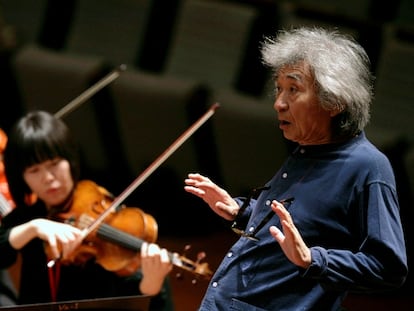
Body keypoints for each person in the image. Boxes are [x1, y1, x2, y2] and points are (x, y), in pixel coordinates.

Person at [184, 27, 408, 310]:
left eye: (293, 89)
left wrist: (313, 259)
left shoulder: (368, 167)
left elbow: (388, 268)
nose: (279, 103)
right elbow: (300, 224)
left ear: (335, 101)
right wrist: (241, 211)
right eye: (278, 89)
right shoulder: (306, 150)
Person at [0, 110, 174, 310]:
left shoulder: (104, 212)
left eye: (54, 164)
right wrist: (34, 227)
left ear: (71, 160)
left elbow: (130, 295)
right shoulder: (29, 217)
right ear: (22, 177)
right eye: (34, 170)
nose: (47, 177)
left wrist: (151, 285)